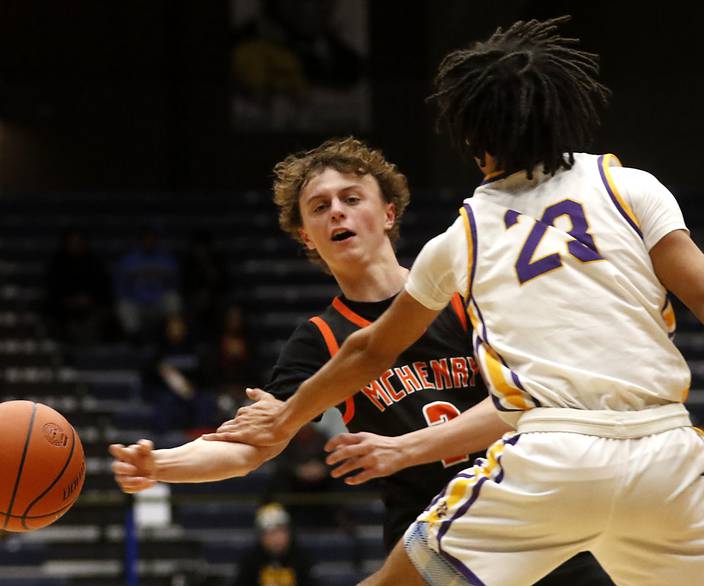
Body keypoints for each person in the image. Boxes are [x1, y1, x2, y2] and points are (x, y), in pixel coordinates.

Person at [207, 16, 704, 585]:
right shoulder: (630, 185)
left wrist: (287, 417)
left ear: (472, 138)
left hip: (552, 454)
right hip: (669, 456)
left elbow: (370, 350)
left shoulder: (462, 237)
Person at [110, 137, 510, 553]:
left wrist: (402, 450)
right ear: (306, 237)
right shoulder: (319, 339)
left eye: (352, 198)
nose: (336, 210)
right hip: (429, 530)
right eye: (320, 207)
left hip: (517, 506)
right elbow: (249, 447)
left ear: (389, 213)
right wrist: (159, 464)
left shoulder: (461, 292)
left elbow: (520, 405)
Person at [232, 502, 312, 586]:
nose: (277, 538)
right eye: (271, 533)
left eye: (282, 531)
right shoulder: (250, 562)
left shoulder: (302, 560)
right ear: (261, 536)